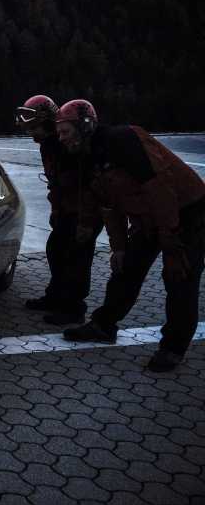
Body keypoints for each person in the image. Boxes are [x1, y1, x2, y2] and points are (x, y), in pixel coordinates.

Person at [56, 99, 205, 371]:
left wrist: (171, 242)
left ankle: (173, 348)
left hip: (185, 211)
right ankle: (103, 326)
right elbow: (108, 206)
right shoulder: (88, 158)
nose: (61, 138)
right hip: (148, 217)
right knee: (126, 269)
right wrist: (119, 247)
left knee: (179, 277)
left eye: (65, 131)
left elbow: (160, 189)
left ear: (85, 125)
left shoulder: (124, 140)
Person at [15, 95, 103, 325]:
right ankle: (56, 296)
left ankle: (74, 308)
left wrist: (85, 221)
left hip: (85, 210)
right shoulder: (49, 145)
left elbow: (87, 185)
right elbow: (55, 183)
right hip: (67, 208)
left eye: (34, 126)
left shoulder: (68, 144)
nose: (30, 132)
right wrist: (57, 211)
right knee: (56, 249)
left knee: (77, 258)